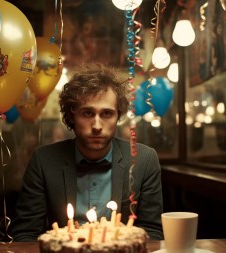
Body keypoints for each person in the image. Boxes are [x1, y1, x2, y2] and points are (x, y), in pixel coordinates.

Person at [11, 64, 163, 241]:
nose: (97, 126)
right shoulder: (44, 161)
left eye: (106, 114)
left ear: (117, 117)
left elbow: (153, 233)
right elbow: (25, 235)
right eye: (87, 113)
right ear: (71, 117)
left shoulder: (144, 160)